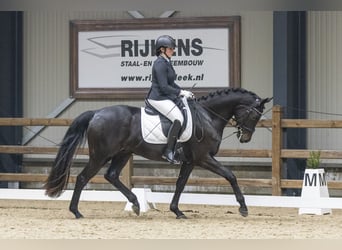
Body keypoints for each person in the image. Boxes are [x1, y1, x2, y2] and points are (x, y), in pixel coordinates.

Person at [145, 35, 194, 164]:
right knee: (178, 119)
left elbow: (171, 83)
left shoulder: (167, 62)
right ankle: (168, 151)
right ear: (162, 49)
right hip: (158, 98)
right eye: (171, 48)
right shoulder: (160, 64)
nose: (173, 51)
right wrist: (179, 92)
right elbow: (164, 86)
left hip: (165, 96)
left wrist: (183, 92)